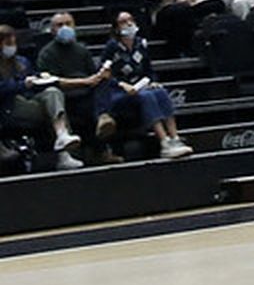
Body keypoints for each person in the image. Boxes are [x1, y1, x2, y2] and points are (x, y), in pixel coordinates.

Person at [97, 13, 192, 158]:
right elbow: (104, 74)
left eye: (130, 20)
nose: (129, 24)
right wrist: (122, 85)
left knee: (160, 91)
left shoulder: (141, 44)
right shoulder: (112, 47)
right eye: (123, 22)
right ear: (116, 28)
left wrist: (152, 81)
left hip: (139, 86)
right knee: (147, 96)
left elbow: (149, 70)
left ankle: (175, 138)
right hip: (118, 92)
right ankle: (164, 143)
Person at [0, 23, 84, 169]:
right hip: (8, 107)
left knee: (53, 93)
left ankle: (62, 136)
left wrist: (40, 78)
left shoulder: (22, 61)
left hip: (29, 101)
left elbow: (32, 83)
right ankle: (62, 152)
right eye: (8, 43)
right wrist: (22, 85)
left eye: (13, 42)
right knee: (51, 109)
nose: (11, 47)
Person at [35, 12, 111, 163]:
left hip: (86, 90)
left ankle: (104, 125)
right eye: (59, 25)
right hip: (65, 94)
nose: (65, 28)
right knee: (80, 105)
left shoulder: (81, 49)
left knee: (105, 87)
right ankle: (86, 151)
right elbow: (51, 81)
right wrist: (83, 82)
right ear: (52, 30)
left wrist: (101, 75)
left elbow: (92, 73)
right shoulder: (46, 53)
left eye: (68, 24)